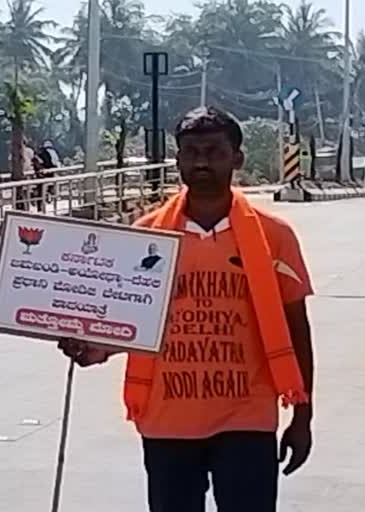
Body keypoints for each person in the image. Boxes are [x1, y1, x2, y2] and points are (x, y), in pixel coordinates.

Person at [58, 106, 315, 512]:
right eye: (191, 152)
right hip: (167, 420)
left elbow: (296, 328)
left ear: (237, 158)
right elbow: (128, 323)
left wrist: (303, 415)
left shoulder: (274, 238)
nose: (201, 162)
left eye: (214, 151)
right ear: (177, 160)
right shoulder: (144, 238)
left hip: (247, 416)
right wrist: (91, 347)